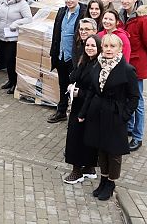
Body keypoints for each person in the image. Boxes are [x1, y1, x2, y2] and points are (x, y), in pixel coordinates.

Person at [77, 34, 139, 201]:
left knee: (113, 152)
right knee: (101, 149)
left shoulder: (127, 70)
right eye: (106, 46)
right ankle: (103, 180)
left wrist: (124, 116)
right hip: (98, 114)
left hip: (115, 115)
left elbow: (134, 98)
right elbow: (91, 91)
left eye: (113, 46)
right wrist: (83, 113)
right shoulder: (97, 66)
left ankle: (111, 183)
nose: (109, 49)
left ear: (120, 49)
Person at [120, 0, 147, 152]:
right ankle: (129, 127)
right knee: (126, 98)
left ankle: (137, 137)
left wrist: (143, 61)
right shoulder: (121, 17)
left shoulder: (142, 20)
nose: (125, 1)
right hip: (123, 65)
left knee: (138, 102)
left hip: (136, 67)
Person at [63, 33, 100, 184]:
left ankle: (77, 171)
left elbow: (96, 89)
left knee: (77, 138)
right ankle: (89, 168)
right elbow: (73, 77)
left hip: (87, 107)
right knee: (81, 137)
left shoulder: (98, 65)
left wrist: (80, 93)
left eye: (93, 45)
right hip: (80, 105)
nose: (89, 48)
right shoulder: (85, 61)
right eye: (87, 45)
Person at [48, 0, 87, 123]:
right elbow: (56, 33)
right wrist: (54, 52)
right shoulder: (61, 12)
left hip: (74, 58)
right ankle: (61, 111)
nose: (69, 1)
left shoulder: (83, 12)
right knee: (63, 85)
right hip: (61, 56)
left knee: (75, 87)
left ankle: (76, 115)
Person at [0, 0, 32, 93]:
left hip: (13, 38)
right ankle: (10, 80)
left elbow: (28, 19)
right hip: (1, 37)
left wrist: (16, 23)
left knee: (12, 61)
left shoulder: (22, 3)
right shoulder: (2, 1)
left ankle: (15, 83)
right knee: (6, 61)